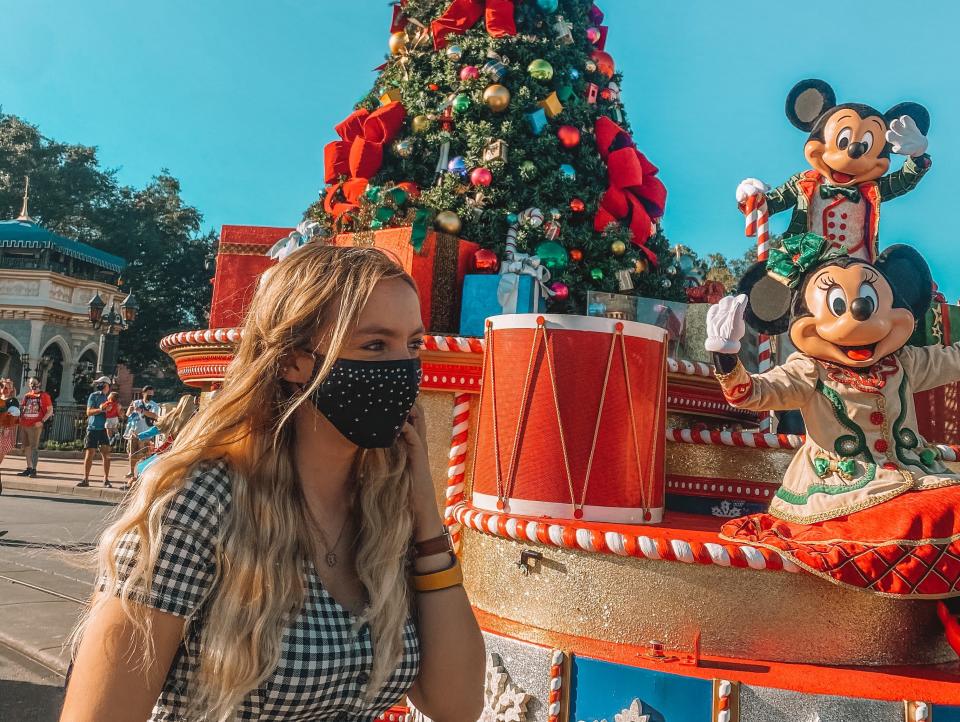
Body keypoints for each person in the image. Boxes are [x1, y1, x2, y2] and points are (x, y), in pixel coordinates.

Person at [62, 245, 485, 722]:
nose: (402, 370)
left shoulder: (382, 506)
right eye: (373, 345)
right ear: (291, 361)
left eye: (412, 346)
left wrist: (425, 510)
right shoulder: (199, 503)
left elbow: (457, 704)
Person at [78, 376, 114, 489]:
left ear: (106, 385)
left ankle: (106, 479)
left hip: (104, 428)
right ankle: (86, 479)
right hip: (93, 428)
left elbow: (116, 413)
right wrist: (101, 409)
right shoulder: (94, 396)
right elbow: (88, 412)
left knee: (106, 454)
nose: (99, 385)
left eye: (101, 383)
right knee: (90, 454)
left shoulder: (111, 398)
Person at [18, 376, 53, 478]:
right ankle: (29, 467)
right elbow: (24, 408)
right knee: (26, 447)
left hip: (35, 425)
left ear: (39, 383)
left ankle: (34, 469)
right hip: (25, 424)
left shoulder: (44, 395)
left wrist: (42, 421)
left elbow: (50, 410)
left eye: (34, 382)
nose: (32, 385)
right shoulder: (27, 396)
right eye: (30, 383)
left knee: (34, 448)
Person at [124, 386, 159, 482]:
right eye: (148, 394)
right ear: (143, 393)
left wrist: (142, 411)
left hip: (147, 433)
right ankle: (131, 472)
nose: (150, 395)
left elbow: (155, 416)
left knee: (144, 454)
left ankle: (142, 473)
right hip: (134, 432)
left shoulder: (155, 405)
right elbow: (127, 414)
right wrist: (130, 410)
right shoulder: (136, 403)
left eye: (152, 394)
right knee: (132, 453)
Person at [0, 379, 21, 495]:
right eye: (2, 386)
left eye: (7, 387)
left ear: (11, 389)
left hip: (4, 432)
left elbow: (14, 415)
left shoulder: (12, 401)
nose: (4, 389)